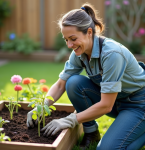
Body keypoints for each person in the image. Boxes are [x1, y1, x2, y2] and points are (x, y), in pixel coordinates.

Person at [26, 3, 145, 150]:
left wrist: (70, 120)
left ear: (89, 32)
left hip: (137, 104)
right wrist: (41, 107)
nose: (69, 45)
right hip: (117, 101)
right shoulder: (80, 51)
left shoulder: (112, 54)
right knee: (73, 83)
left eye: (73, 38)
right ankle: (91, 132)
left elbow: (106, 105)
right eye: (66, 39)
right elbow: (60, 84)